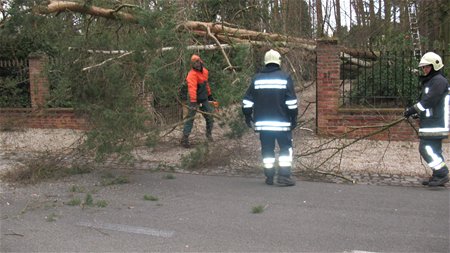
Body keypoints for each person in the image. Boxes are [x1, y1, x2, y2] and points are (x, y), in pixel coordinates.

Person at [242, 49, 298, 186]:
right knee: (285, 149)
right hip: (282, 123)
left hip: (263, 124)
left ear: (265, 62)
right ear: (278, 61)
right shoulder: (285, 77)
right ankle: (284, 177)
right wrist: (294, 119)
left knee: (267, 150)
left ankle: (269, 177)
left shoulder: (256, 79)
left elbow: (247, 102)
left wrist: (247, 117)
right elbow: (291, 102)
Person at [404, 52, 450, 187]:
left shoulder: (438, 81)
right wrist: (419, 114)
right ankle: (437, 176)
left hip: (436, 123)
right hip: (432, 121)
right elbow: (431, 104)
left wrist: (412, 109)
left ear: (435, 66)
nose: (424, 70)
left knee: (425, 148)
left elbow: (429, 101)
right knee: (434, 150)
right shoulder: (433, 81)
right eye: (423, 67)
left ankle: (441, 172)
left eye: (427, 67)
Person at [180, 54, 215, 148]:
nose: (197, 64)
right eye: (195, 62)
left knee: (210, 117)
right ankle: (184, 139)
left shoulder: (205, 72)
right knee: (190, 118)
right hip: (193, 99)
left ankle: (209, 135)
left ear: (201, 61)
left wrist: (210, 95)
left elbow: (206, 84)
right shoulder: (192, 75)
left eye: (198, 61)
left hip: (203, 98)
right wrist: (193, 102)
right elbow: (192, 89)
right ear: (192, 64)